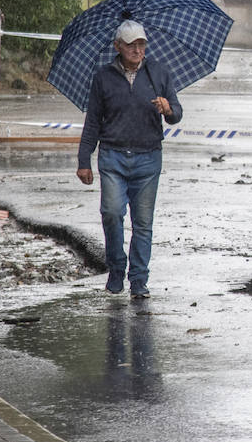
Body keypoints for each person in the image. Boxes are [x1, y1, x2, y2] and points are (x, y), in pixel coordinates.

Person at [76, 20, 183, 299]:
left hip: (148, 158)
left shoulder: (158, 73)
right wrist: (83, 160)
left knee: (143, 223)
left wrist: (168, 108)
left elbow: (177, 114)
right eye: (131, 44)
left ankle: (138, 279)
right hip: (112, 157)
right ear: (118, 47)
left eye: (141, 44)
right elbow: (92, 123)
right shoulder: (103, 77)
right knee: (111, 213)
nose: (137, 50)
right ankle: (116, 268)